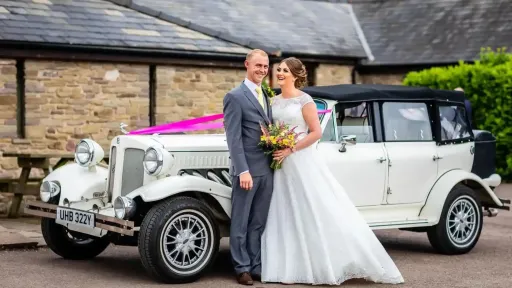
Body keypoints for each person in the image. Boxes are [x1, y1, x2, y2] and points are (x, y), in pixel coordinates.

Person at [260, 57, 405, 285]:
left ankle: (329, 262)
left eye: (285, 70)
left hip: (300, 160)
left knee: (313, 209)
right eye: (279, 70)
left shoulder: (305, 101)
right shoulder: (273, 101)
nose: (280, 73)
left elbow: (315, 132)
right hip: (279, 163)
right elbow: (270, 127)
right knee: (283, 212)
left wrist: (290, 149)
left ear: (296, 75)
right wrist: (271, 140)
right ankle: (287, 265)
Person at [223, 49, 274, 285]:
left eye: (265, 66)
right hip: (247, 172)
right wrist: (243, 170)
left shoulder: (266, 93)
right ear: (247, 65)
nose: (262, 70)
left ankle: (256, 265)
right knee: (241, 221)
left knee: (258, 222)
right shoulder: (234, 96)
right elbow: (233, 139)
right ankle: (241, 267)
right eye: (258, 66)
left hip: (267, 169)